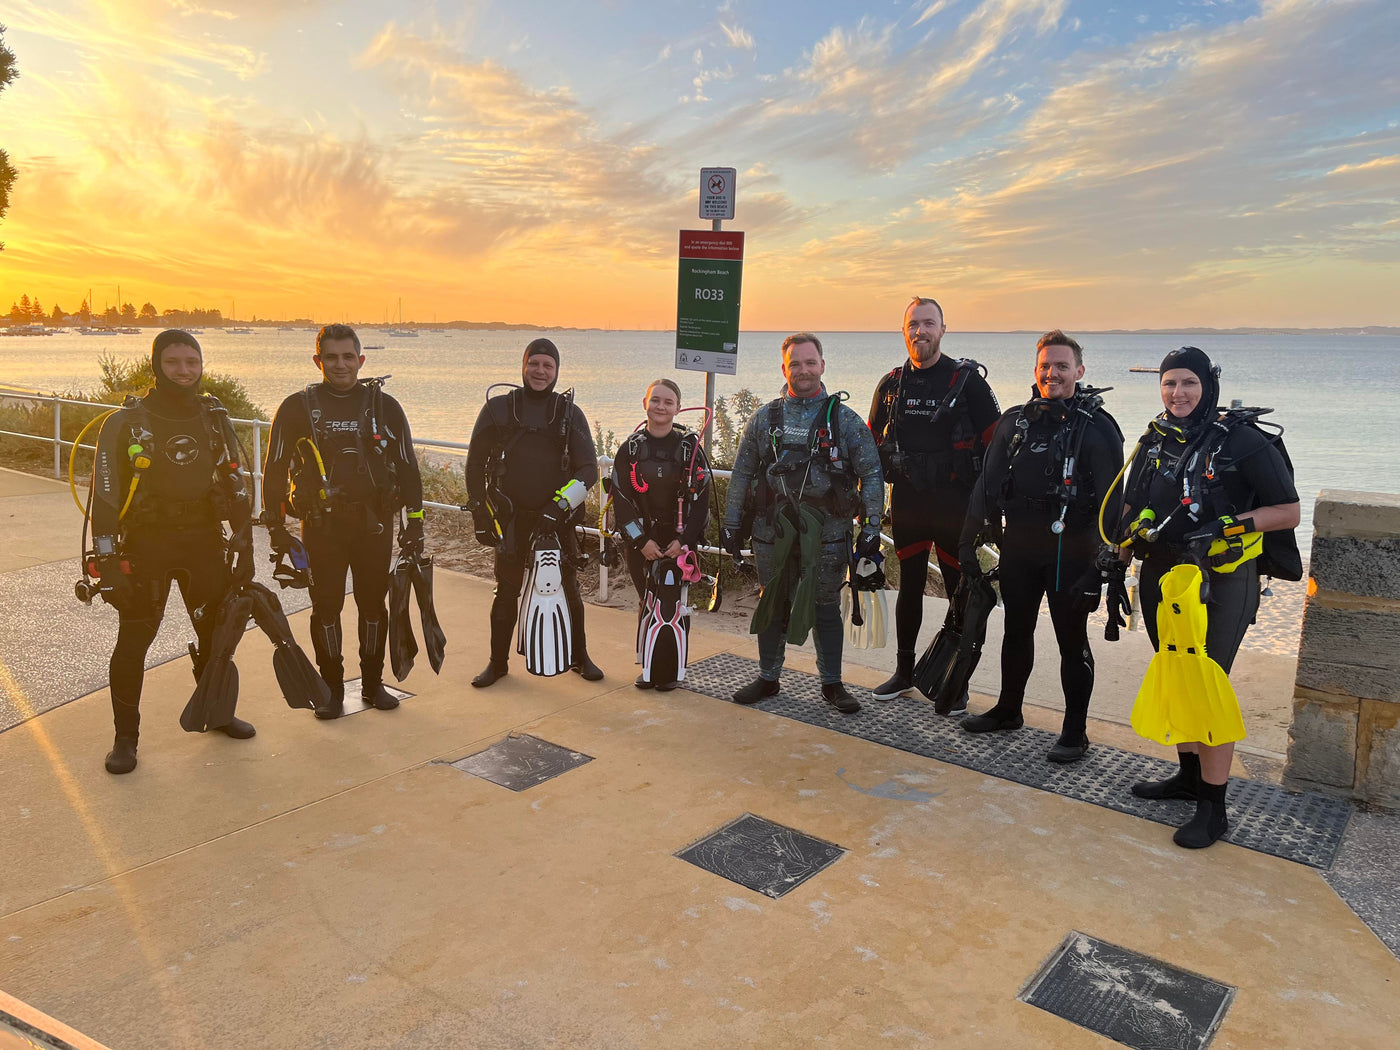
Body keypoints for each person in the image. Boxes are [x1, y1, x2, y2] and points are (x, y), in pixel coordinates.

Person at [1119, 346, 1300, 848]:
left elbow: (1287, 511)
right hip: (1164, 575)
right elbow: (1133, 503)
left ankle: (1214, 809)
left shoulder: (1242, 441)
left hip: (1222, 579)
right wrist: (1118, 549)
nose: (1178, 393)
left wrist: (1228, 526)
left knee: (1207, 684)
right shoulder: (1156, 439)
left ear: (1208, 386)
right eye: (1169, 383)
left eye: (1189, 383)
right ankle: (1188, 778)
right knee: (1176, 671)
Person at [88, 330, 255, 773]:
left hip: (203, 542)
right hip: (147, 544)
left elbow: (234, 483)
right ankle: (125, 739)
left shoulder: (213, 417)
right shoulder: (125, 423)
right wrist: (106, 559)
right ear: (156, 365)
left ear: (201, 365)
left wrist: (245, 543)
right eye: (173, 362)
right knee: (134, 641)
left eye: (192, 362)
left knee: (216, 635)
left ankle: (217, 712)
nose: (184, 370)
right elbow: (105, 496)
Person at [957, 330, 1124, 762]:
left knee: (1071, 638)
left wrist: (1106, 565)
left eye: (1062, 366)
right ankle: (1008, 709)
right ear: (1035, 370)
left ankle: (1075, 732)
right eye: (1046, 366)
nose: (1053, 373)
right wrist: (967, 540)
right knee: (1016, 630)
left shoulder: (1098, 428)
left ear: (1079, 371)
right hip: (1021, 545)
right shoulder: (1016, 422)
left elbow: (1114, 503)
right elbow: (987, 485)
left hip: (1074, 551)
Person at [262, 324, 425, 718]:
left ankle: (372, 684)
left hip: (374, 525)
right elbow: (274, 470)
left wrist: (416, 521)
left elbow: (407, 466)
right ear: (317, 361)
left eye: (348, 357)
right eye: (331, 357)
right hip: (322, 526)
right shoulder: (296, 407)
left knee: (373, 606)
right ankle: (332, 689)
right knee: (326, 607)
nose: (340, 364)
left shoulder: (385, 407)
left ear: (361, 360)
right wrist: (276, 528)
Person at [721, 333, 884, 714]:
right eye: (795, 364)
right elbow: (742, 473)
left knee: (825, 606)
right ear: (784, 369)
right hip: (771, 531)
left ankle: (832, 683)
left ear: (822, 366)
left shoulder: (845, 421)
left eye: (810, 363)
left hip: (828, 534)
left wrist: (872, 529)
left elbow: (872, 474)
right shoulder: (764, 419)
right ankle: (768, 677)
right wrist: (731, 524)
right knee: (773, 601)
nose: (804, 370)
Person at [867, 296, 1001, 704]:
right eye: (913, 324)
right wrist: (865, 505)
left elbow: (997, 447)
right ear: (903, 331)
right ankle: (904, 672)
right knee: (909, 587)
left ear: (943, 329)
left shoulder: (968, 382)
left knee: (959, 591)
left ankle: (955, 683)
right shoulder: (891, 385)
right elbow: (869, 446)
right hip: (907, 501)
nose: (920, 331)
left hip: (955, 504)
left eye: (928, 323)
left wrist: (991, 510)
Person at [465, 337, 601, 686]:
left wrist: (559, 506)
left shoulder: (569, 414)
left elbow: (589, 470)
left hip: (556, 520)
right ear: (523, 366)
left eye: (548, 366)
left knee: (568, 588)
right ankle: (497, 663)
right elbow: (474, 464)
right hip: (511, 518)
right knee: (506, 589)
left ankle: (580, 657)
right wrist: (480, 512)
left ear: (557, 371)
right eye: (534, 364)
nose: (540, 371)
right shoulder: (498, 409)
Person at [609, 378, 711, 690]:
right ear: (645, 403)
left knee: (675, 604)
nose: (661, 407)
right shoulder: (630, 449)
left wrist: (685, 541)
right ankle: (649, 667)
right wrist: (640, 541)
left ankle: (671, 670)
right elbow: (621, 501)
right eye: (655, 400)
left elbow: (702, 503)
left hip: (680, 541)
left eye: (668, 402)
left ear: (678, 408)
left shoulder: (690, 449)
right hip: (642, 541)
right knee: (647, 601)